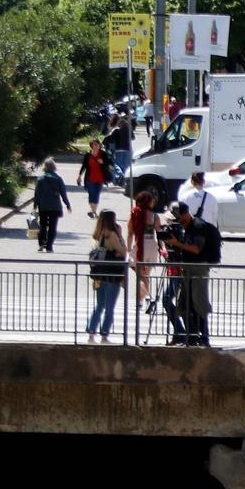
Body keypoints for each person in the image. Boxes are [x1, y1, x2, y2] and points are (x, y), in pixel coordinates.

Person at [161, 199, 221, 347]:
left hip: (198, 269)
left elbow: (196, 248)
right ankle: (192, 337)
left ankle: (204, 338)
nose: (177, 221)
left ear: (185, 215)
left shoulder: (198, 226)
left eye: (178, 217)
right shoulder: (185, 227)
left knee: (199, 305)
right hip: (186, 269)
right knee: (183, 305)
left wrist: (176, 244)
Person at [85, 210, 128, 342]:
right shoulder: (112, 235)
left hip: (99, 275)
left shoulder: (98, 234)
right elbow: (124, 251)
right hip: (112, 275)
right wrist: (120, 236)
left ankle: (91, 333)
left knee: (99, 305)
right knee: (109, 307)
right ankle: (104, 335)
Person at [127, 191, 162, 312]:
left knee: (140, 275)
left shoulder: (134, 214)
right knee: (144, 275)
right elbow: (159, 232)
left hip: (140, 246)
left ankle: (146, 298)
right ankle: (141, 301)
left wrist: (128, 249)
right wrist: (161, 248)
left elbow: (130, 233)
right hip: (152, 246)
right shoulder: (154, 216)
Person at [31, 158, 69, 252]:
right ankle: (49, 246)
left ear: (45, 167)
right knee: (52, 226)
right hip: (55, 206)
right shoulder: (58, 179)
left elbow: (37, 194)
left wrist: (35, 205)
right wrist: (67, 204)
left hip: (43, 206)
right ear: (54, 167)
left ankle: (41, 243)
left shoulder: (40, 179)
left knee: (43, 225)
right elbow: (63, 193)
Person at [81, 138, 112, 212]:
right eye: (94, 145)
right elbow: (84, 166)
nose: (96, 146)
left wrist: (102, 163)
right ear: (91, 146)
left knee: (97, 194)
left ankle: (93, 211)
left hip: (100, 178)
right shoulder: (88, 155)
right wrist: (79, 175)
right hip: (90, 178)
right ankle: (93, 210)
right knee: (91, 194)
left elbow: (109, 164)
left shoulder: (103, 154)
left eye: (97, 144)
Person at [107, 118, 133, 184]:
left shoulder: (116, 131)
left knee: (116, 164)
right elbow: (133, 137)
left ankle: (120, 175)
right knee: (125, 166)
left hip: (118, 149)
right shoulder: (129, 131)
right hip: (127, 149)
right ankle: (123, 180)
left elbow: (111, 139)